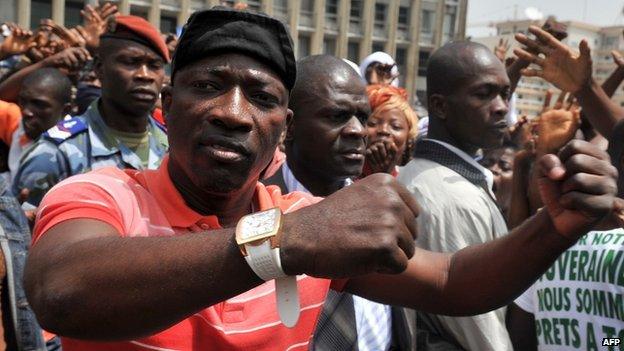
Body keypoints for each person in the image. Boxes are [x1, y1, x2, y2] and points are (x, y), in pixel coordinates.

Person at [23, 8, 618, 351]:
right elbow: (64, 294)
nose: (232, 111)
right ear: (167, 107)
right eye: (208, 87)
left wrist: (555, 226)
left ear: (281, 128)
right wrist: (279, 244)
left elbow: (452, 283)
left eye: (260, 97)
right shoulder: (100, 193)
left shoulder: (303, 215)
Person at [264, 54, 417, 351]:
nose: (358, 131)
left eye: (363, 117)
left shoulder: (382, 210)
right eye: (337, 116)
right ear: (289, 124)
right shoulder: (255, 218)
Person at [397, 41, 514, 350]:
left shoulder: (430, 175)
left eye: (506, 93)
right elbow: (483, 333)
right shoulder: (450, 197)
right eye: (483, 94)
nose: (502, 106)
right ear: (439, 106)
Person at [12, 15, 169, 206]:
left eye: (154, 66)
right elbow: (22, 230)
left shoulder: (173, 146)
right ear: (99, 68)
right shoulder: (56, 153)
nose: (145, 75)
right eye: (130, 62)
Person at [9, 68, 72, 181]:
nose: (26, 112)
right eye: (23, 101)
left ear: (65, 110)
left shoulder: (67, 150)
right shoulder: (20, 126)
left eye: (39, 105)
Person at [362, 84, 418, 177]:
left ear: (408, 140)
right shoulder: (341, 179)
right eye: (373, 123)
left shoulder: (412, 182)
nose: (384, 130)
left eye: (395, 126)